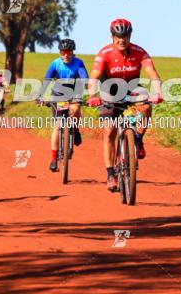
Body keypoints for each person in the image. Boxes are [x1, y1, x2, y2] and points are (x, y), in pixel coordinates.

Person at [87, 18, 163, 192]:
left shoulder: (139, 52)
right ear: (112, 37)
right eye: (118, 36)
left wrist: (158, 92)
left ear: (130, 36)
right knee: (109, 131)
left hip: (132, 89)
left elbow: (152, 73)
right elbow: (94, 76)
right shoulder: (104, 53)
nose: (122, 39)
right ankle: (110, 175)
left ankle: (138, 140)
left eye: (125, 35)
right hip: (109, 91)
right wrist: (92, 95)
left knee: (145, 106)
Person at [37, 39, 89, 172]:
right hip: (59, 93)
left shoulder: (78, 63)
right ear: (60, 52)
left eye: (69, 52)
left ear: (73, 53)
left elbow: (85, 78)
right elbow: (47, 80)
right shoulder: (55, 63)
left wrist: (89, 88)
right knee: (58, 125)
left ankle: (76, 130)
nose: (66, 55)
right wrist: (41, 96)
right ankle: (54, 159)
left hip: (75, 91)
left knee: (76, 108)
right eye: (63, 52)